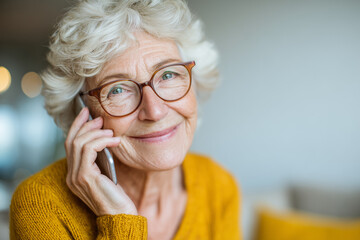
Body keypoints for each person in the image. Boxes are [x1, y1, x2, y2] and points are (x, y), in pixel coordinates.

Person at [10, 0, 241, 239]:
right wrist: (120, 221)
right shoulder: (41, 204)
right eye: (118, 90)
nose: (154, 111)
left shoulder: (218, 185)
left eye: (168, 74)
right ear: (82, 111)